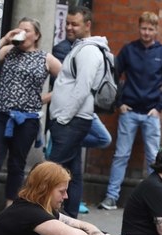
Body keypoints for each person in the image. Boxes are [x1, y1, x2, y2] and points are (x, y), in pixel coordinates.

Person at [99, 12, 162, 211]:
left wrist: (159, 108)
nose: (146, 33)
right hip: (129, 112)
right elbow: (113, 76)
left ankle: (157, 200)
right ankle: (111, 197)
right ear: (139, 28)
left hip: (151, 113)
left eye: (150, 29)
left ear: (156, 30)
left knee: (154, 158)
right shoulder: (129, 50)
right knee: (121, 155)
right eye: (143, 28)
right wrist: (119, 103)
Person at [0, 17, 62, 211]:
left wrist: (45, 98)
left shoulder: (46, 58)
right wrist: (5, 39)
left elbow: (67, 81)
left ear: (36, 35)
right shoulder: (8, 51)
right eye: (19, 29)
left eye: (27, 30)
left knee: (17, 164)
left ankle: (10, 206)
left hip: (27, 119)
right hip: (2, 115)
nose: (22, 33)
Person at [48, 6, 111, 218]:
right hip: (70, 120)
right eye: (67, 23)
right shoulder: (80, 47)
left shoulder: (90, 51)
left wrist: (63, 118)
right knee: (72, 174)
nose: (69, 27)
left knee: (50, 170)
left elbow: (82, 88)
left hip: (72, 120)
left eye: (75, 24)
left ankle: (39, 213)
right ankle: (70, 217)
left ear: (88, 25)